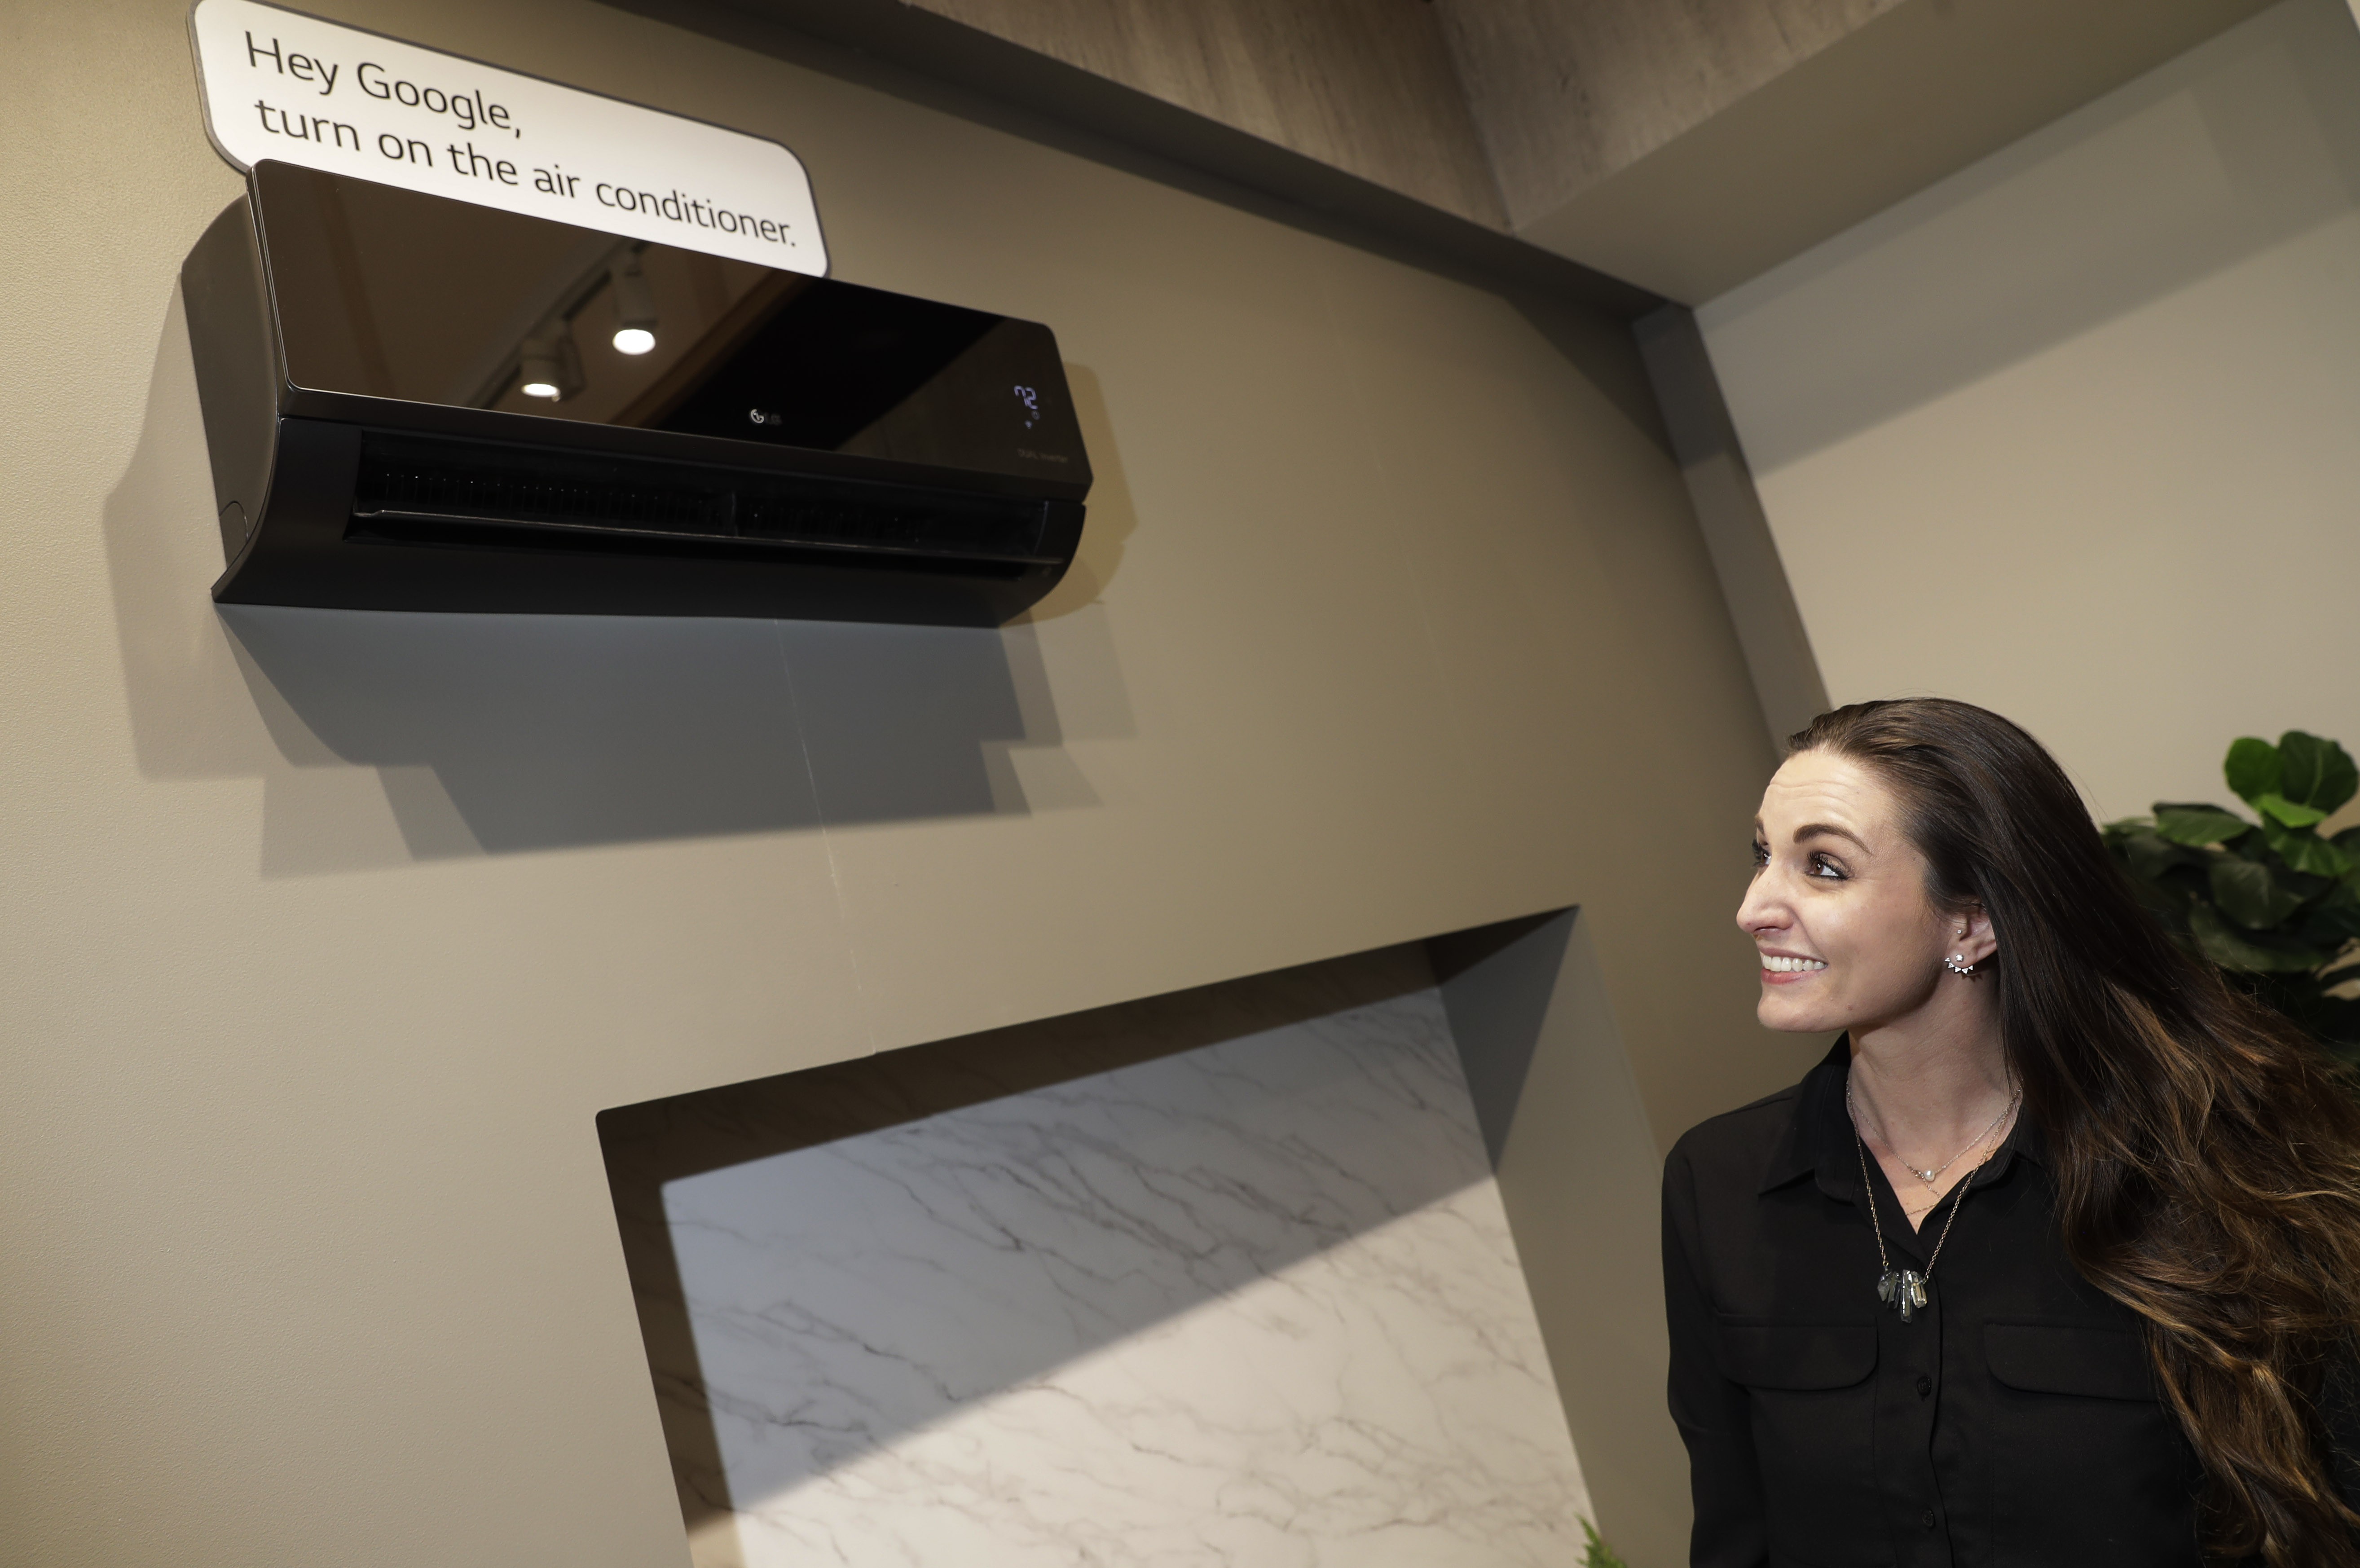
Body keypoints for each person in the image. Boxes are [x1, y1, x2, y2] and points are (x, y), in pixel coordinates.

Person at [1664, 698, 2360, 1567]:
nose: (1754, 907)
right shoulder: (1716, 1182)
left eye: (1825, 868)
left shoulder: (2193, 1162)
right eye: (1765, 857)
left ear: (1973, 922)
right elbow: (1737, 1533)